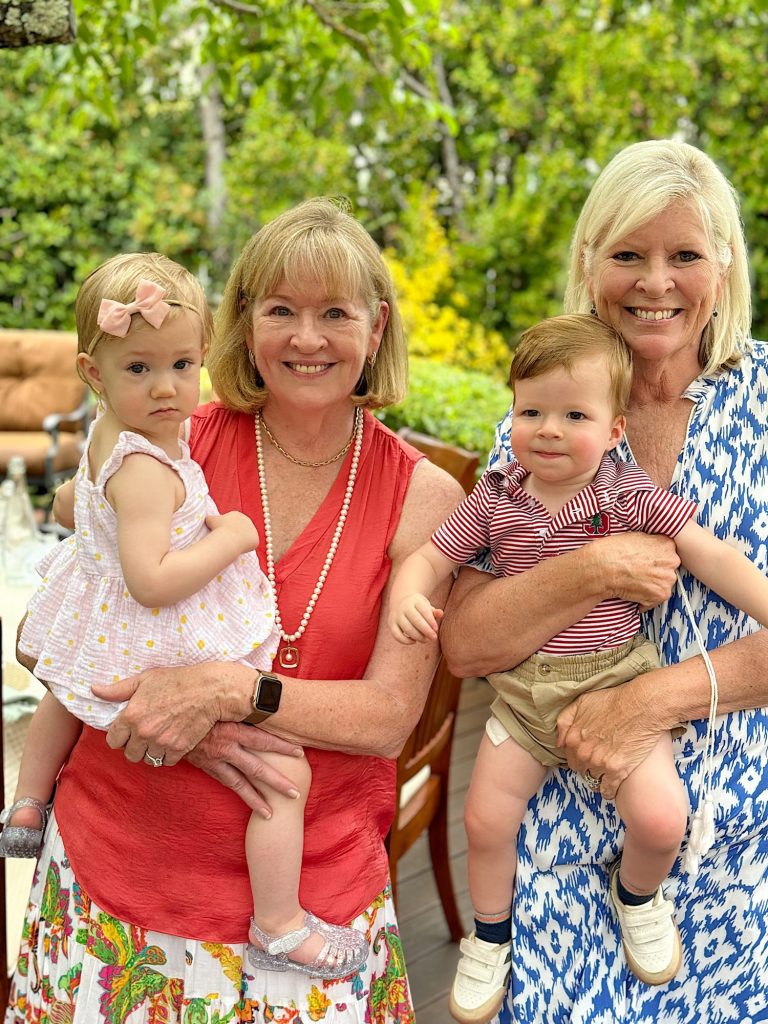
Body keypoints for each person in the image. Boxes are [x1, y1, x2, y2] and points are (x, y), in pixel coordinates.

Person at [6, 200, 463, 1024]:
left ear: (377, 326)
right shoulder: (170, 442)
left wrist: (230, 696)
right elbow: (48, 639)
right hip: (113, 878)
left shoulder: (423, 497)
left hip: (311, 905)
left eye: (334, 313)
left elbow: (390, 717)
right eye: (279, 310)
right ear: (245, 324)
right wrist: (187, 716)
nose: (307, 338)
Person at [438, 139, 768, 1023]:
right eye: (628, 253)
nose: (655, 281)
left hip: (742, 850)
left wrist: (651, 700)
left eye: (684, 255)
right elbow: (467, 644)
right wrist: (593, 568)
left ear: (724, 265)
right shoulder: (551, 417)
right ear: (590, 263)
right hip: (554, 833)